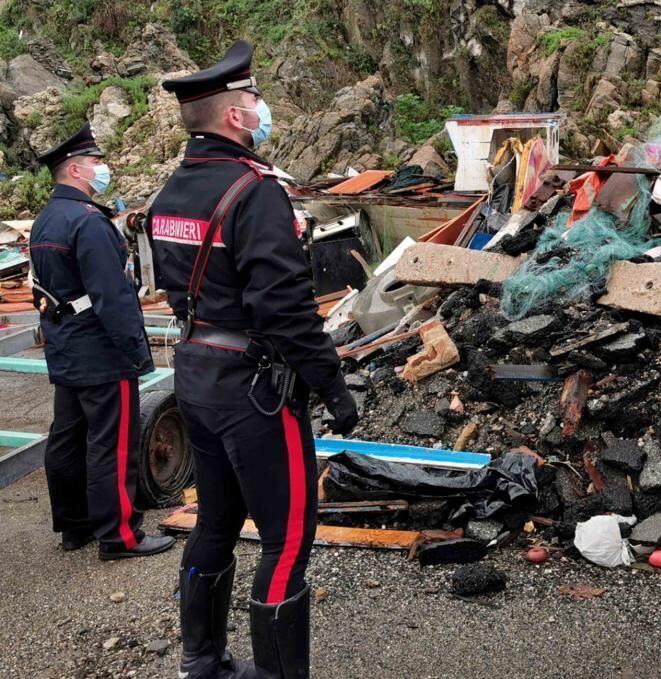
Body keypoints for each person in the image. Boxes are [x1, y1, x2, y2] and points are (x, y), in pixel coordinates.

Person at [150, 41, 359, 679]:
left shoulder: (170, 191)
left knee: (216, 519)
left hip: (196, 375)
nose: (262, 110)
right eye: (255, 100)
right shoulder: (256, 190)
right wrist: (334, 389)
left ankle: (202, 662)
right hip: (254, 391)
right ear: (237, 117)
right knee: (287, 537)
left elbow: (174, 286)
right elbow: (285, 311)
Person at [29, 123, 175, 560]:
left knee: (68, 437)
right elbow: (113, 296)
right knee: (110, 442)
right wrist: (135, 352)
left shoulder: (46, 219)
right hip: (99, 347)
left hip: (66, 344)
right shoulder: (88, 222)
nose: (102, 168)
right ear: (75, 169)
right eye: (96, 162)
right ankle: (119, 535)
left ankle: (75, 526)